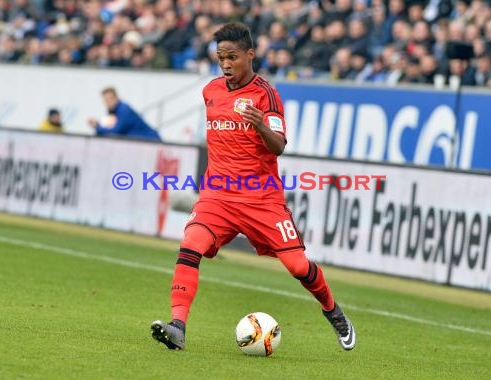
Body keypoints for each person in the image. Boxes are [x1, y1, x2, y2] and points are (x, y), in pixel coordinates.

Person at [150, 23, 356, 352]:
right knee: (190, 245)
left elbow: (278, 147)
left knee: (298, 266)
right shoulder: (211, 91)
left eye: (232, 57)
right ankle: (177, 326)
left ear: (250, 55)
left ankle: (333, 311)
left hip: (261, 199)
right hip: (217, 195)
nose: (226, 64)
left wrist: (260, 124)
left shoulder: (266, 96)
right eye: (221, 58)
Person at [87, 87, 162, 141]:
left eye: (109, 99)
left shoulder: (124, 109)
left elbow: (116, 131)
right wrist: (98, 126)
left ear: (116, 97)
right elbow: (107, 129)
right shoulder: (113, 111)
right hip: (140, 144)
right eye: (105, 100)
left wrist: (97, 126)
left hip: (151, 142)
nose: (107, 102)